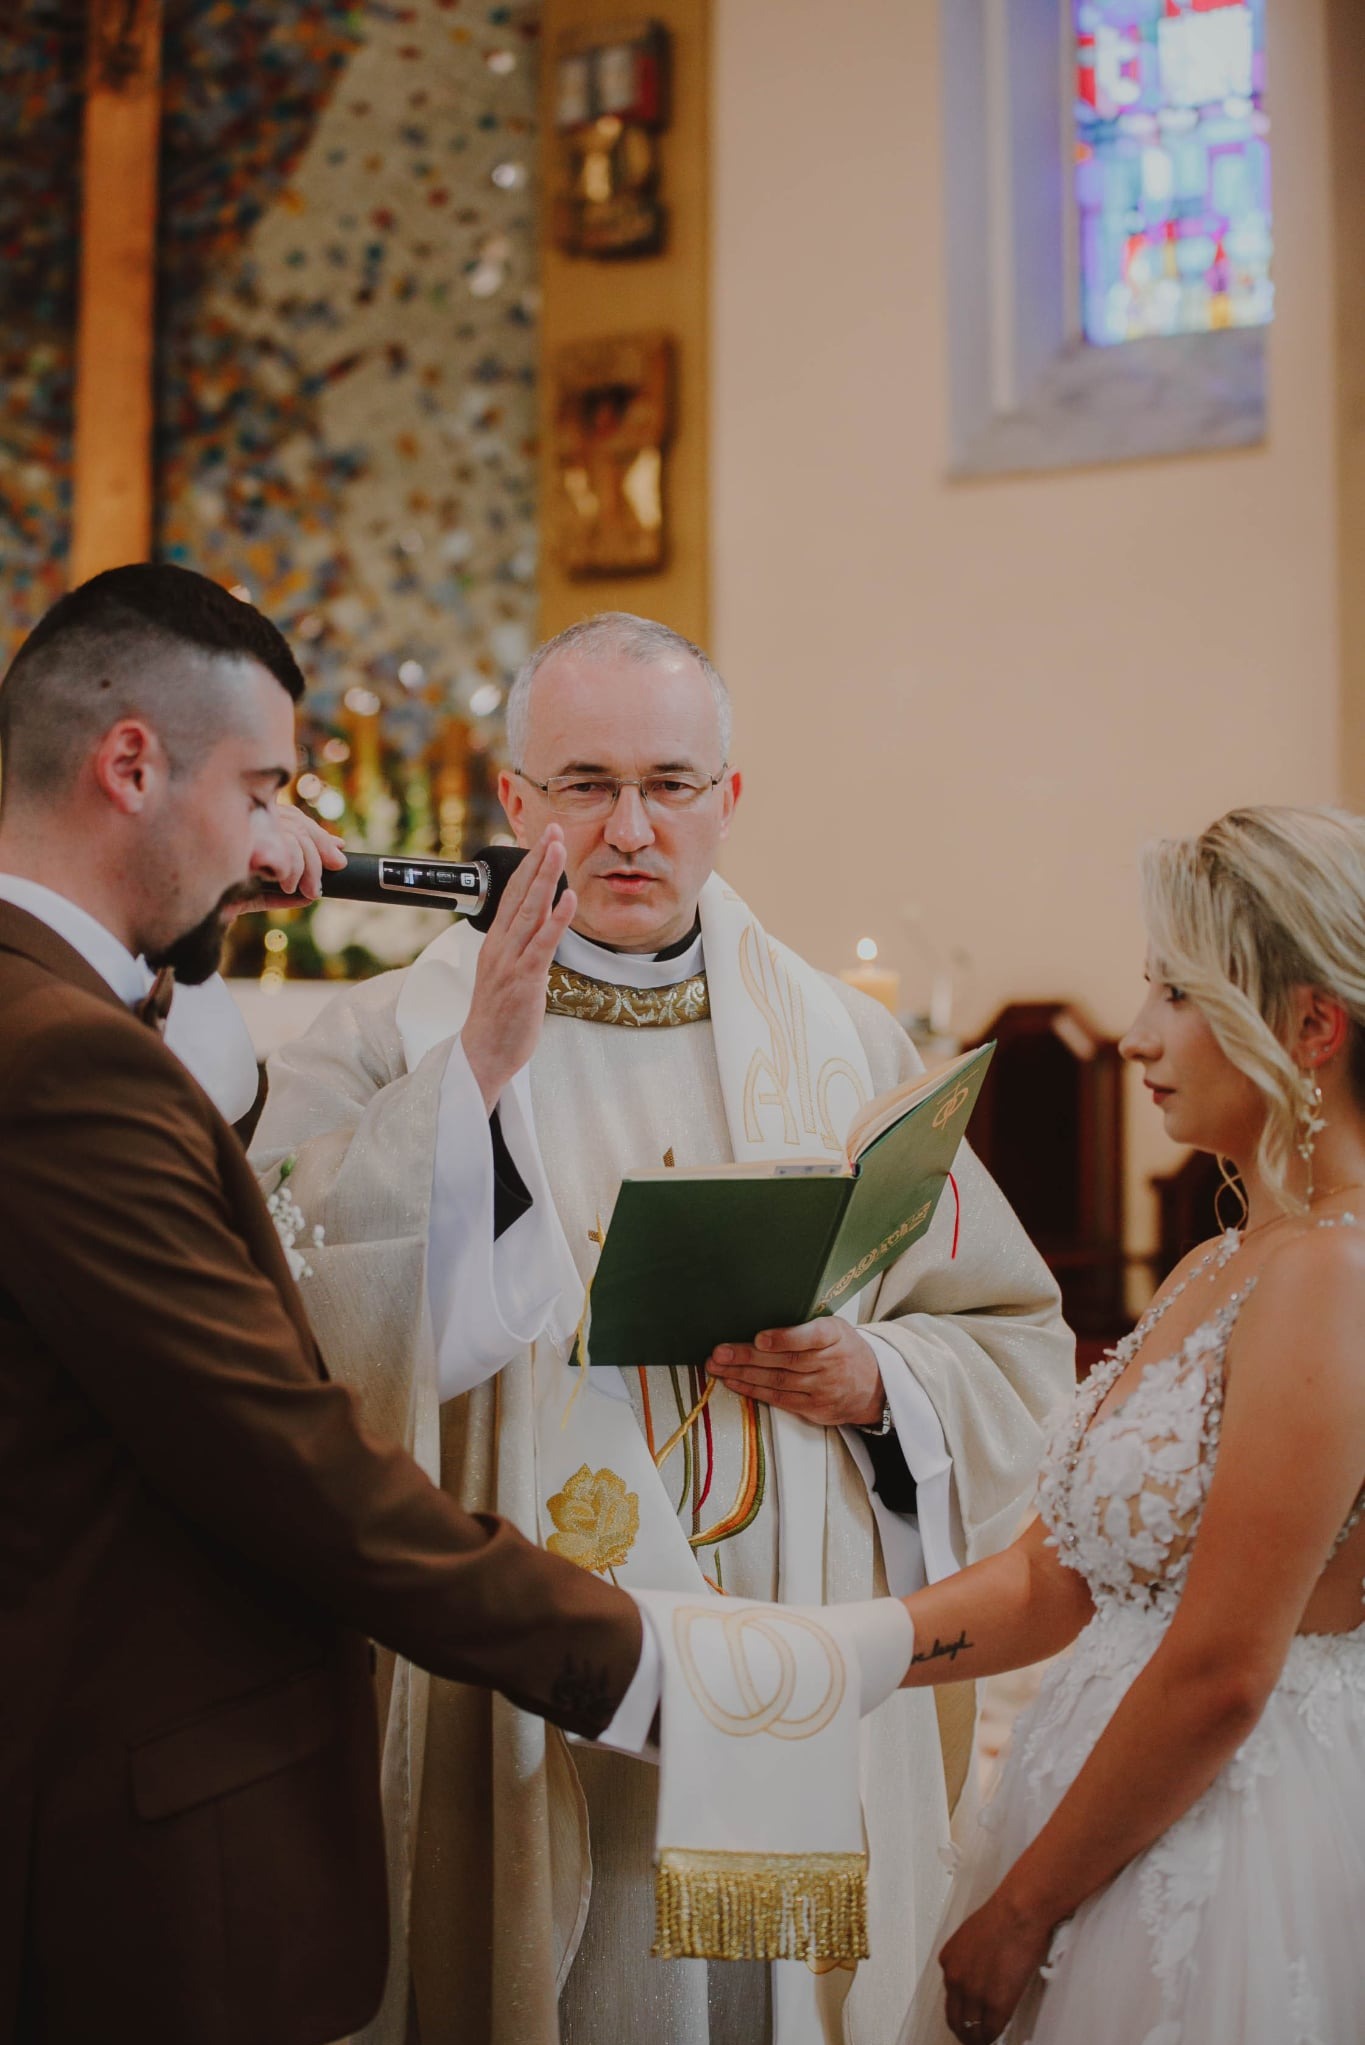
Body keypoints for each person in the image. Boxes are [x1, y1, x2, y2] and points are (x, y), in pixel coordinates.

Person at [252, 611, 1074, 2045]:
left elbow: (1009, 1334)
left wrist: (877, 1373)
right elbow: (293, 1322)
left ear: (728, 802)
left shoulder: (847, 1045)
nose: (631, 828)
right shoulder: (393, 1037)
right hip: (511, 1657)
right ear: (515, 805)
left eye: (671, 784)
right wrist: (471, 1095)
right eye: (583, 783)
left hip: (783, 1638)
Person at [0, 565, 654, 2045]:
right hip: (123, 1810)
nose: (291, 832)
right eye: (266, 784)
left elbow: (202, 1119)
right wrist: (637, 1658)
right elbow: (285, 1456)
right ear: (130, 764)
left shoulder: (68, 1009)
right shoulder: (59, 1055)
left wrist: (204, 888)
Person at [894, 805, 1365, 2045]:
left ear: (1312, 1026)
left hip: (1218, 1842)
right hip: (1094, 1803)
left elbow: (1222, 1669)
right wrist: (825, 1655)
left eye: (1178, 993)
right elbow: (1061, 1579)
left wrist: (1023, 1907)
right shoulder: (1224, 1260)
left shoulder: (1334, 1275)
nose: (1137, 1033)